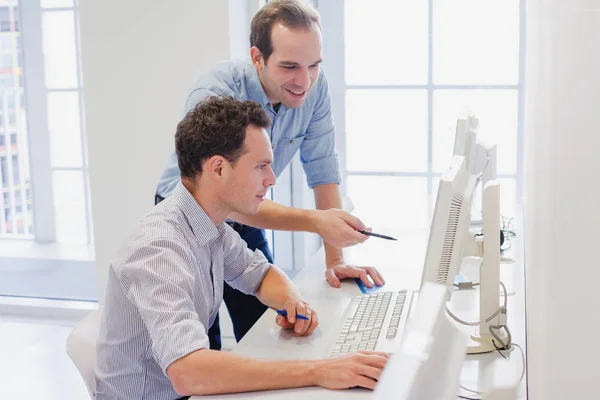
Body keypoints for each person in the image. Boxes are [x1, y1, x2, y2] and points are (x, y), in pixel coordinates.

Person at [95, 97, 389, 399]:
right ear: (219, 168)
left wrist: (292, 302)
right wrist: (318, 370)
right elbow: (189, 372)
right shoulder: (159, 248)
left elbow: (259, 274)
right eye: (261, 166)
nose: (271, 180)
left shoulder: (212, 226)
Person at [156, 0, 385, 351]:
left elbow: (322, 165)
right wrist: (317, 221)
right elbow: (216, 198)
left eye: (314, 66)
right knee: (200, 344)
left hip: (244, 210)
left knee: (268, 331)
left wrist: (335, 259)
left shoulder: (312, 86)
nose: (304, 80)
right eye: (290, 66)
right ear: (257, 57)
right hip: (192, 217)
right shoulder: (215, 95)